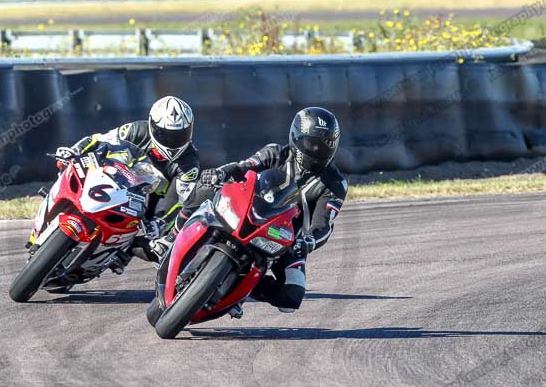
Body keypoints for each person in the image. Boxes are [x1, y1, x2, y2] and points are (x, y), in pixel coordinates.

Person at [157, 106, 348, 314]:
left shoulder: (335, 183)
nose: (317, 151)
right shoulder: (275, 152)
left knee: (291, 297)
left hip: (286, 240)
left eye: (325, 145)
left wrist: (309, 241)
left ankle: (241, 291)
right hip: (247, 212)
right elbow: (243, 167)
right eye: (312, 143)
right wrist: (220, 174)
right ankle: (173, 235)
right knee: (206, 187)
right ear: (297, 137)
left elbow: (324, 224)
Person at [54, 96, 200, 261]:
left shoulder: (190, 163)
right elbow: (99, 139)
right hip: (116, 177)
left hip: (150, 202)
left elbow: (179, 200)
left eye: (180, 135)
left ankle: (121, 253)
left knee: (162, 247)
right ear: (152, 125)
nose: (172, 142)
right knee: (71, 169)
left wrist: (160, 222)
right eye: (165, 134)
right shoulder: (136, 129)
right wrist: (74, 151)